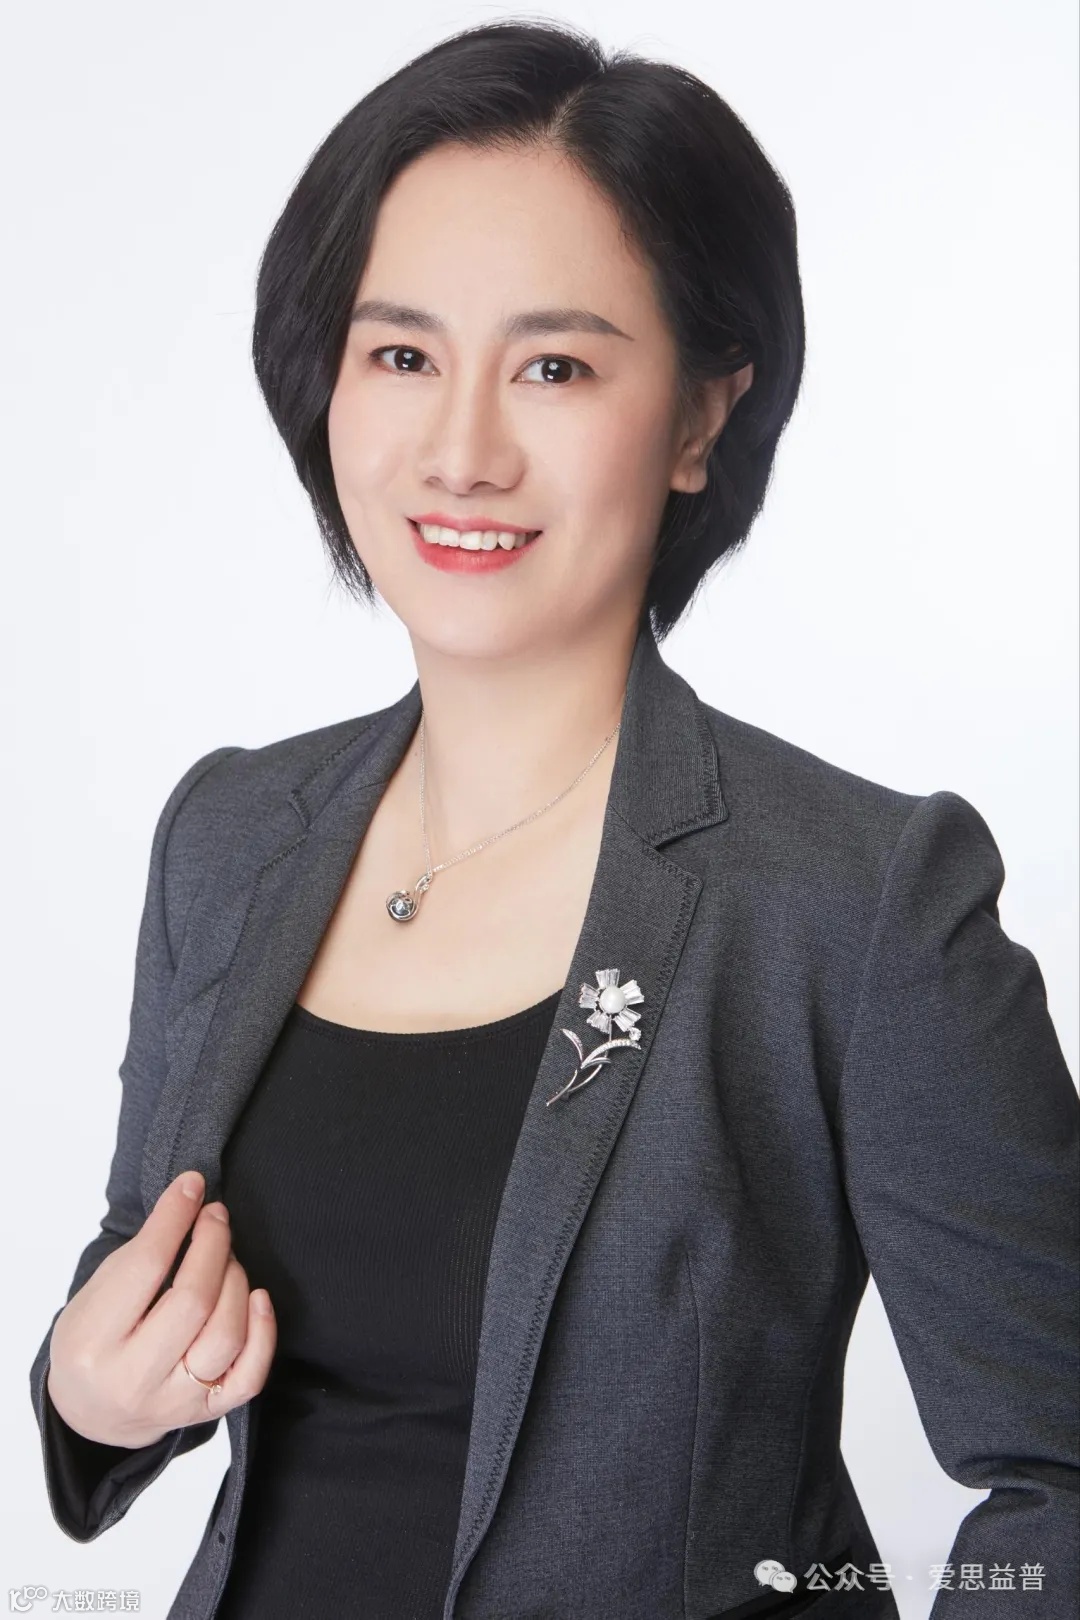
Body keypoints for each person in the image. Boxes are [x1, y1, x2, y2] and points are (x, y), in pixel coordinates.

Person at [29, 17, 1078, 1620]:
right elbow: (144, 1266)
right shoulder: (233, 836)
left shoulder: (861, 901)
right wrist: (87, 1394)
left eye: (555, 367)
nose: (461, 451)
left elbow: (1060, 1477)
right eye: (402, 356)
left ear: (702, 418)